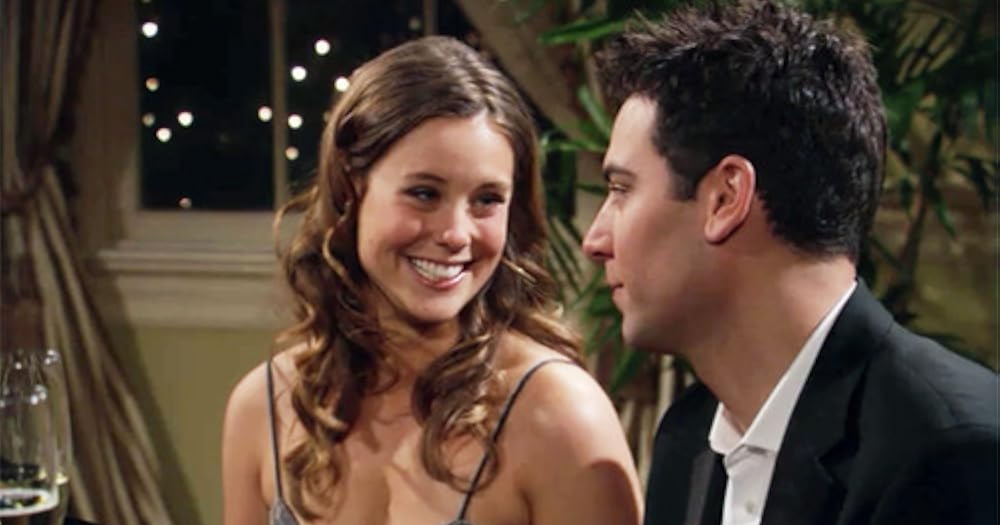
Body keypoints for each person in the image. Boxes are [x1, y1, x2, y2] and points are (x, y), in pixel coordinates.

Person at [582, 2, 999, 525]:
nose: (594, 240)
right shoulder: (687, 441)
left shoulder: (954, 453)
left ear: (725, 198)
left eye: (622, 189)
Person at [222, 36, 642, 525]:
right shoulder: (264, 407)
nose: (456, 234)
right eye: (424, 193)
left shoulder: (559, 415)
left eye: (487, 200)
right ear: (349, 191)